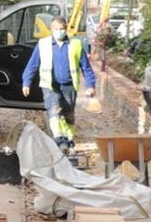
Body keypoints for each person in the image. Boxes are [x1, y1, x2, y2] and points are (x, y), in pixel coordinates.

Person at [23, 15, 98, 150]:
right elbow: (32, 65)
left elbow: (86, 67)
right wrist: (26, 82)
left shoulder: (75, 44)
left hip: (69, 86)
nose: (59, 31)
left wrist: (90, 85)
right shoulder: (43, 44)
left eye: (62, 29)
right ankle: (59, 139)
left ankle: (69, 139)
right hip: (50, 86)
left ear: (66, 29)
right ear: (51, 29)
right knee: (54, 111)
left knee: (69, 114)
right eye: (56, 29)